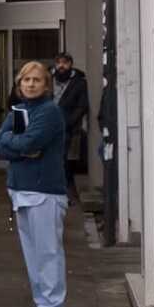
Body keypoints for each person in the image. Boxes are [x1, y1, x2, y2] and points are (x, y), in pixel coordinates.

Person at [0, 61, 69, 307]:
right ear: (19, 84)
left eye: (37, 80)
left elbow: (30, 143)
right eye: (26, 80)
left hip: (43, 192)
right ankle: (44, 306)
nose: (31, 84)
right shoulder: (20, 110)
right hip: (22, 191)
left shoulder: (49, 112)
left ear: (46, 85)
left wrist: (16, 145)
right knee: (33, 254)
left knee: (47, 253)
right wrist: (19, 148)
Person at [54, 52, 90, 204]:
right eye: (58, 63)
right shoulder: (47, 78)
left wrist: (68, 122)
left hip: (66, 129)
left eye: (65, 63)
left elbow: (82, 106)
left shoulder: (79, 82)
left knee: (63, 161)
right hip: (46, 126)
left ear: (71, 64)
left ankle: (64, 193)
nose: (61, 66)